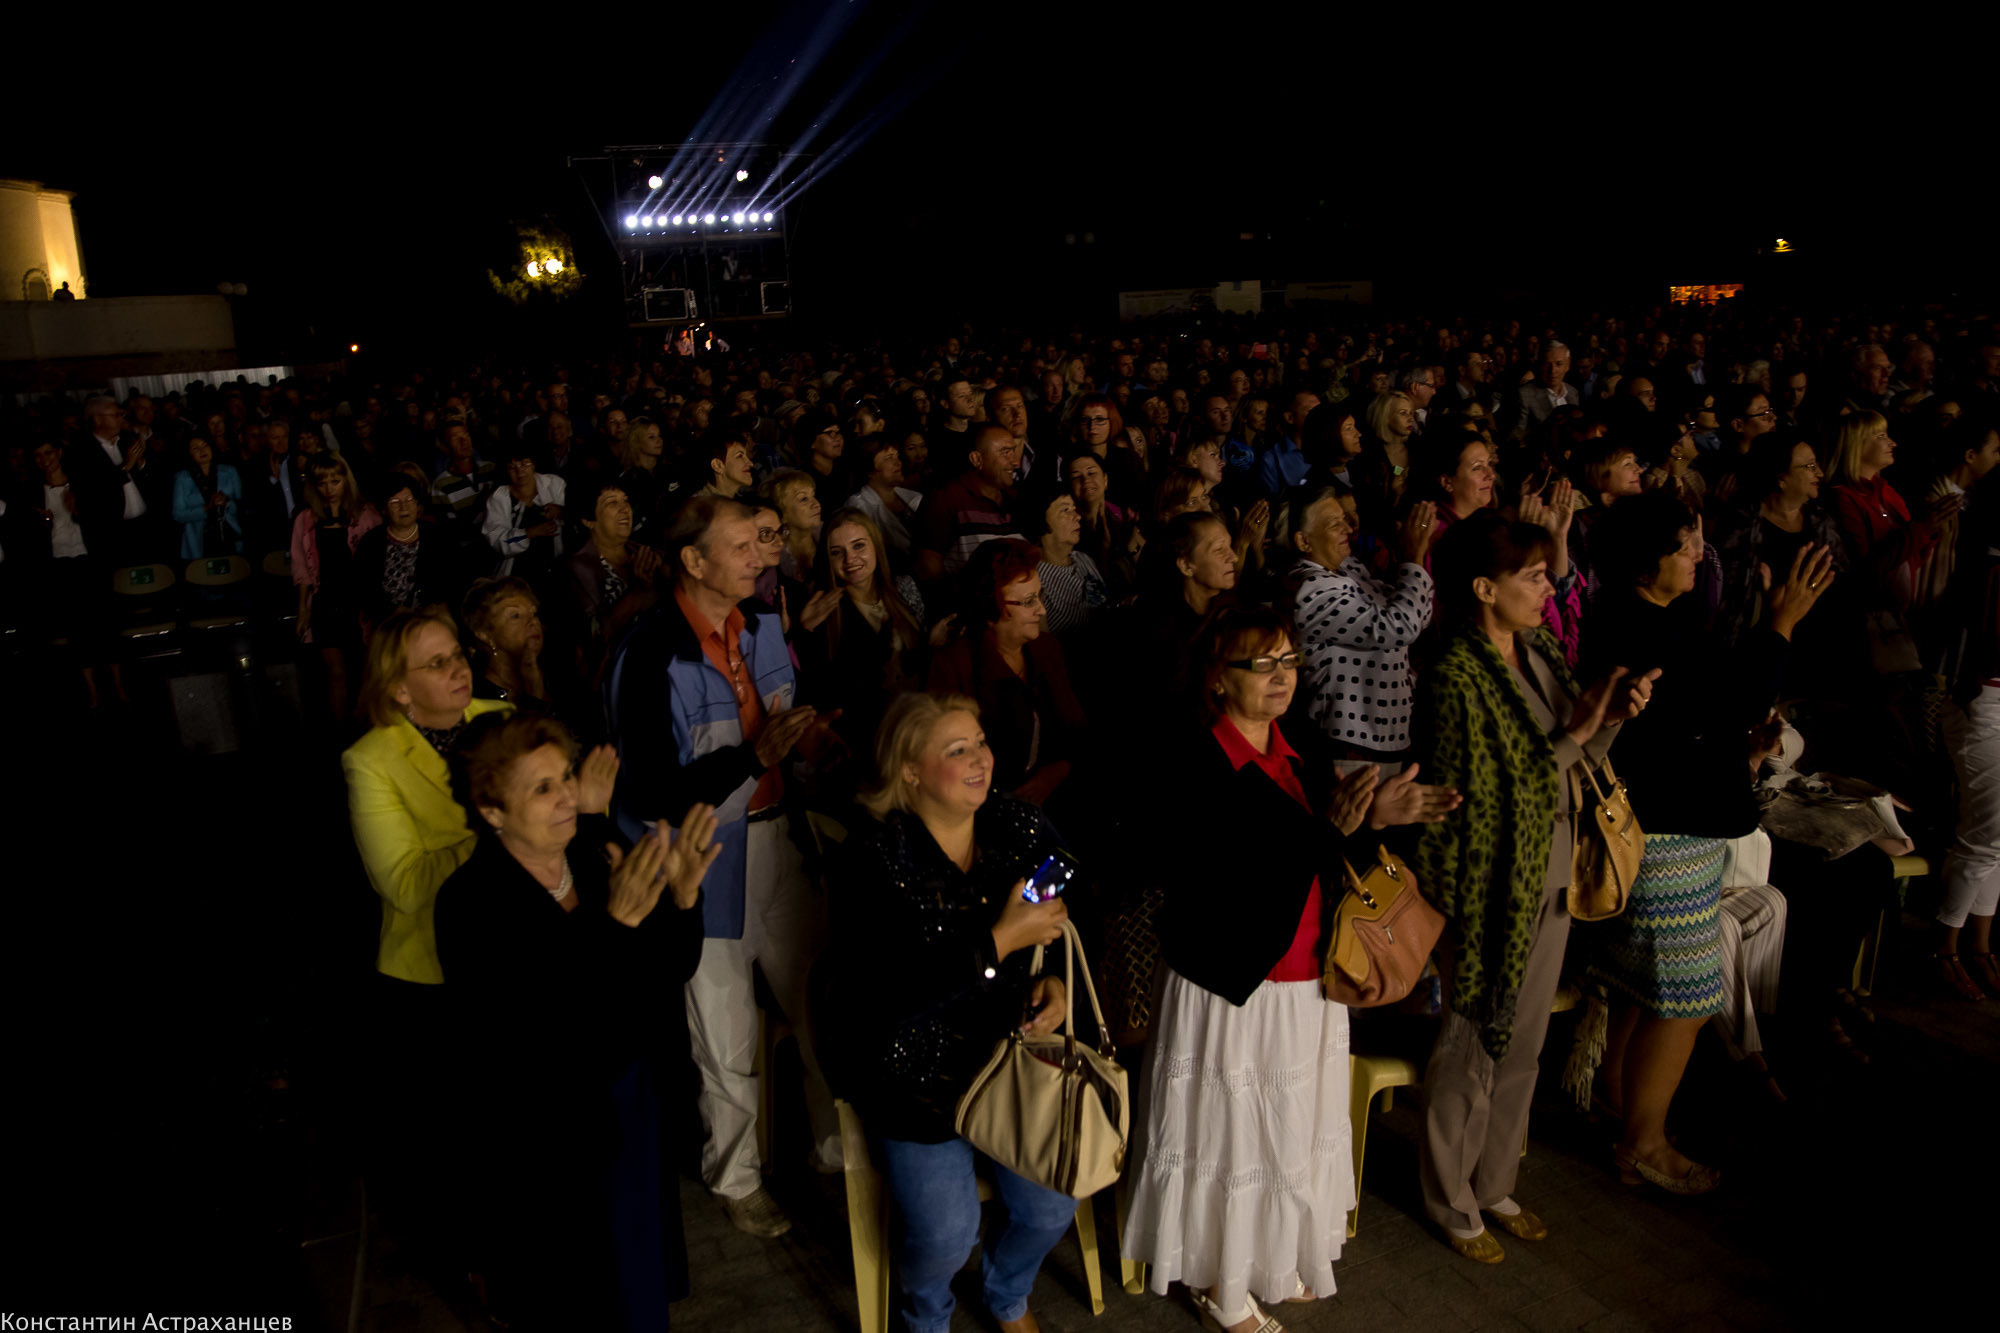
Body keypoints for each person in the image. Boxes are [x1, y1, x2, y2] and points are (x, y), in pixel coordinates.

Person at [1125, 606, 1460, 1333]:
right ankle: (1221, 1279)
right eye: (1263, 665)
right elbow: (1237, 871)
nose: (1282, 678)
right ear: (1218, 678)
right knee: (1231, 1131)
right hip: (1234, 980)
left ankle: (1274, 1255)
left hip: (1310, 969)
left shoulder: (1296, 744)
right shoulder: (1192, 759)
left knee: (1292, 1123)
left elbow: (1321, 843)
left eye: (1288, 662)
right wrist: (1335, 826)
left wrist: (1378, 815)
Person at [1575, 491, 1836, 1194]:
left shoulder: (1649, 617)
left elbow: (1705, 712)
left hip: (1668, 824)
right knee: (1684, 999)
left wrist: (1741, 750)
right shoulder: (1640, 627)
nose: (1701, 555)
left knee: (1644, 991)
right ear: (1648, 559)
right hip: (1663, 833)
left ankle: (1620, 1106)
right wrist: (1780, 622)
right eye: (1688, 544)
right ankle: (1646, 1144)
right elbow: (1727, 696)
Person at [1411, 512, 1650, 1261]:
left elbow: (1569, 757)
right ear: (1484, 588)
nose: (1549, 586)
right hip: (1488, 879)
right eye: (1533, 575)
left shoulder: (1539, 649)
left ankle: (1493, 1179)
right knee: (1474, 1038)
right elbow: (1487, 796)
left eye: (1547, 573)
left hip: (1549, 864)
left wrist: (1609, 720)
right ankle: (1450, 1196)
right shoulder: (1454, 671)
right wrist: (1579, 732)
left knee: (1529, 1038)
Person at [603, 494, 844, 1238]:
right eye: (742, 546)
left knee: (821, 1003)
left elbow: (785, 717)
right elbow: (644, 792)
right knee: (726, 1034)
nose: (761, 555)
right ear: (695, 561)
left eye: (761, 543)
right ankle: (739, 1178)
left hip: (778, 839)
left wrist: (809, 748)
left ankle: (837, 1150)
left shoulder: (764, 625)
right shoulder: (646, 655)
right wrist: (756, 755)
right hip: (698, 863)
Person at [435, 712, 715, 1332]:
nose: (569, 796)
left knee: (636, 1287)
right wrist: (611, 928)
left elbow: (662, 974)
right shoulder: (471, 903)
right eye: (542, 788)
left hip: (629, 1111)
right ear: (492, 811)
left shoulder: (593, 860)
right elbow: (539, 1039)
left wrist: (684, 900)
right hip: (550, 1144)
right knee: (578, 1299)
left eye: (565, 777)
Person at [823, 692, 1077, 1333]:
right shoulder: (871, 858)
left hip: (1007, 1058)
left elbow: (1067, 894)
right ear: (909, 769)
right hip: (913, 1077)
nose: (979, 760)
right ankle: (926, 1311)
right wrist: (998, 943)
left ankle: (1007, 1294)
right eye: (956, 750)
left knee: (1051, 1208)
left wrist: (1058, 984)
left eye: (981, 744)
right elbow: (885, 996)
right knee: (946, 1238)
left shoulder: (1016, 827)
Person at [340, 607, 520, 1253]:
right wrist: (499, 836)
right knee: (461, 1139)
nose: (458, 668)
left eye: (458, 654)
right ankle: (473, 1259)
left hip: (516, 952)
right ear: (398, 686)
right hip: (433, 970)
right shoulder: (371, 759)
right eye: (436, 663)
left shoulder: (500, 721)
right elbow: (405, 884)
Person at [928, 537, 1086, 808]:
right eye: (1028, 601)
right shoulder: (954, 666)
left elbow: (1077, 732)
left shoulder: (1047, 650)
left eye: (1040, 596)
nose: (1042, 609)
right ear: (990, 607)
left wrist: (1059, 770)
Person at [1283, 486, 1436, 755]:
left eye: (1346, 518)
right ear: (1303, 541)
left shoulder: (1350, 569)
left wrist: (1414, 564)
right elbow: (1400, 626)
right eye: (1334, 523)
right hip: (1351, 742)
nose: (1348, 528)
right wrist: (1413, 558)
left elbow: (1420, 614)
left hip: (1389, 734)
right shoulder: (1311, 588)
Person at [793, 508, 935, 769]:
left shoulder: (902, 592)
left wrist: (934, 645)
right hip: (867, 749)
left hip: (917, 733)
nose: (850, 559)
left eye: (859, 546)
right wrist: (804, 632)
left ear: (876, 546)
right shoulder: (822, 610)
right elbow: (820, 688)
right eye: (837, 552)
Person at [291, 453, 381, 722]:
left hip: (359, 603)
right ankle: (342, 734)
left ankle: (367, 728)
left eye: (335, 480)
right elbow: (301, 567)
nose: (329, 488)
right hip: (326, 603)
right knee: (335, 673)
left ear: (346, 480)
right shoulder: (305, 519)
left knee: (366, 671)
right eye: (323, 482)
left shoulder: (366, 515)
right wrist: (303, 611)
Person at [916, 424, 1022, 585]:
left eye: (1013, 451)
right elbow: (928, 565)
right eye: (1005, 452)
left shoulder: (1015, 498)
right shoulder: (947, 497)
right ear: (976, 459)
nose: (1015, 462)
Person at [356, 469, 456, 631]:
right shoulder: (371, 542)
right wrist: (395, 612)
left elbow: (450, 580)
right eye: (395, 502)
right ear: (384, 509)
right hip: (389, 624)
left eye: (409, 500)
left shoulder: (436, 536)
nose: (404, 508)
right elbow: (365, 590)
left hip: (432, 619)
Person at [1026, 490, 1107, 637]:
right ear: (1042, 520)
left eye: (1074, 509)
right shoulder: (1035, 580)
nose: (1077, 517)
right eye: (1065, 510)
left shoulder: (1083, 559)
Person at [482, 441, 567, 582]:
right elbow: (499, 541)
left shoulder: (554, 484)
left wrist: (561, 512)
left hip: (557, 565)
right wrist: (528, 533)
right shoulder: (499, 498)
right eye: (512, 467)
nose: (519, 472)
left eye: (524, 464)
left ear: (533, 464)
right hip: (517, 572)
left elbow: (577, 517)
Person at [169, 436, 242, 559]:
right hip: (198, 540)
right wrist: (206, 508)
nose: (202, 450)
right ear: (189, 453)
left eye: (205, 446)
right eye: (195, 448)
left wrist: (227, 503)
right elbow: (178, 514)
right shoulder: (181, 478)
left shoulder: (230, 471)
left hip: (230, 536)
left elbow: (241, 505)